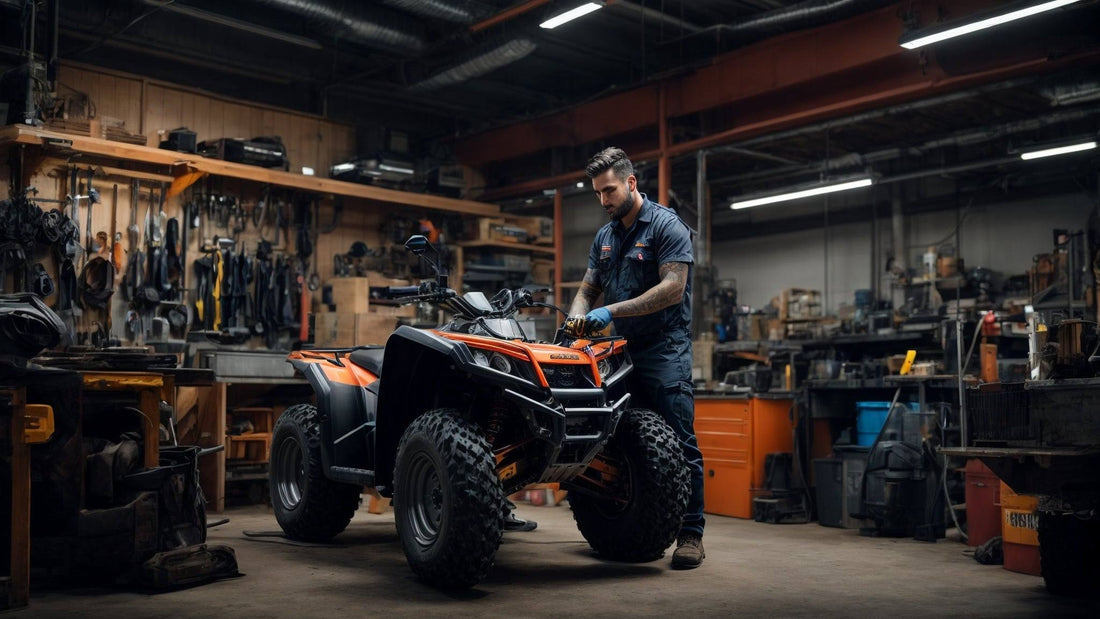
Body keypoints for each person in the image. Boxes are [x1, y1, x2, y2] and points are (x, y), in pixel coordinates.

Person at [565, 147, 705, 569]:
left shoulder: (667, 227)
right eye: (597, 194)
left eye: (609, 191)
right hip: (621, 350)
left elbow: (672, 289)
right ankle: (626, 528)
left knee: (679, 442)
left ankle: (691, 535)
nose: (604, 200)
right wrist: (577, 317)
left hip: (664, 348)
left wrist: (611, 312)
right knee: (620, 438)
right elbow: (588, 289)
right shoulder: (604, 237)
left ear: (630, 183)